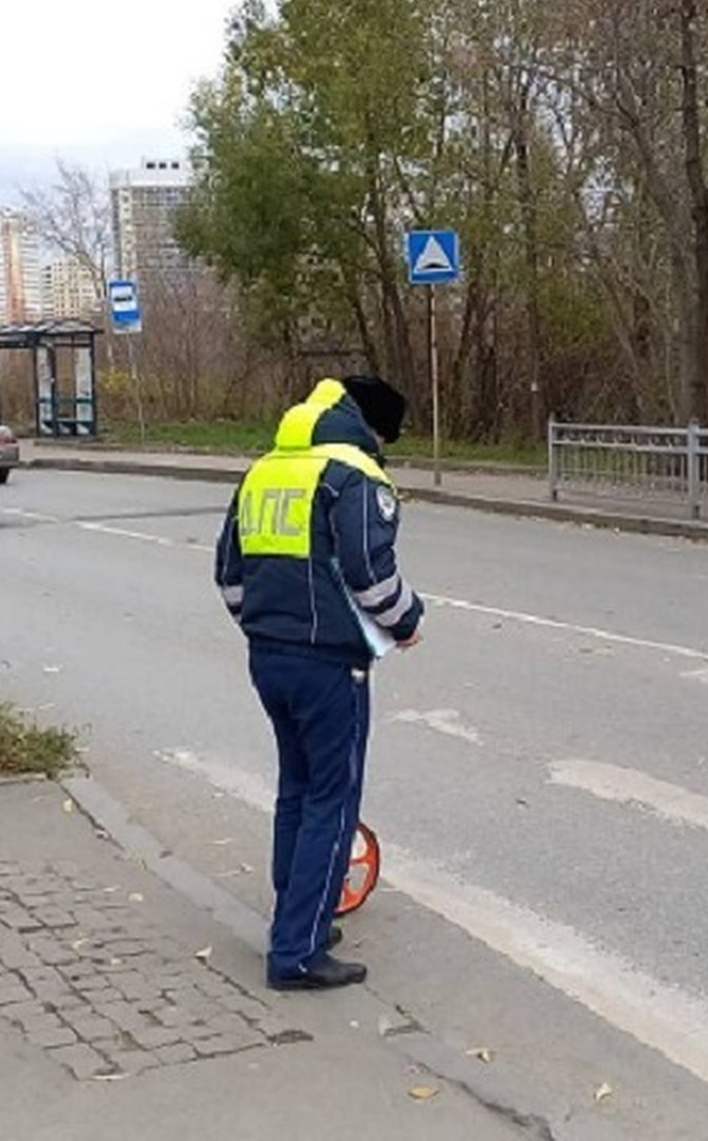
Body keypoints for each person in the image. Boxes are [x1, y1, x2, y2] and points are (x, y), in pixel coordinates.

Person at [214, 375, 423, 991]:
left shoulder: (265, 470)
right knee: (333, 799)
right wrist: (408, 622)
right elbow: (370, 574)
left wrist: (264, 626)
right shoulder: (353, 476)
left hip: (268, 655)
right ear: (372, 427)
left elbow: (229, 574)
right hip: (330, 663)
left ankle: (295, 920)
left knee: (296, 791)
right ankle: (297, 954)